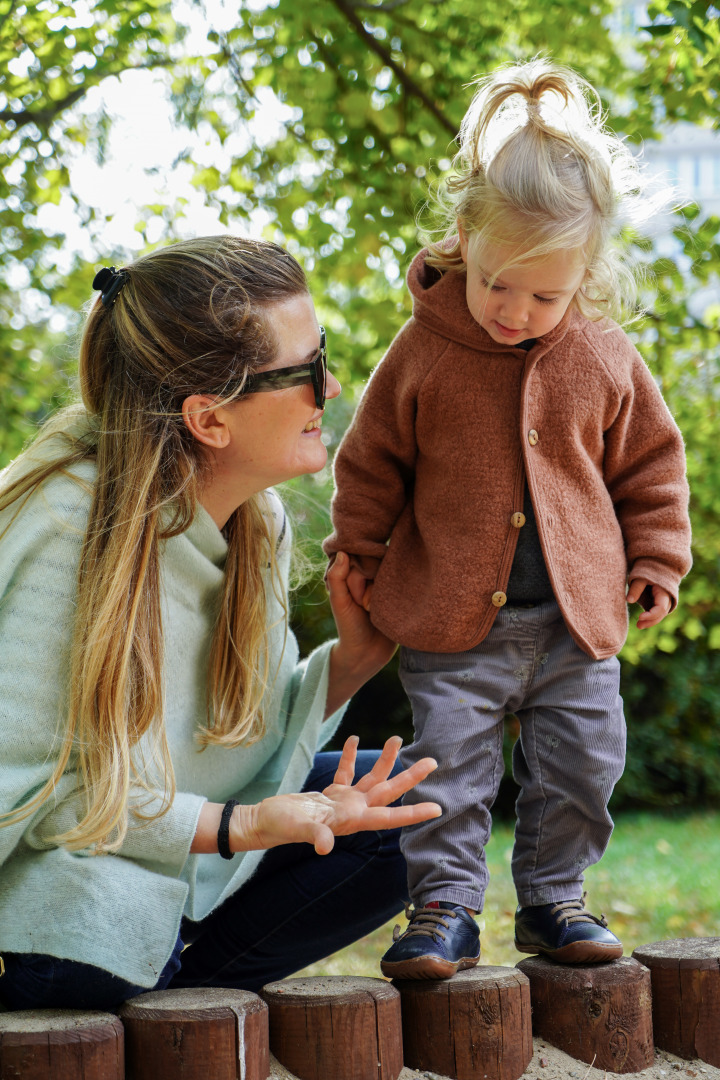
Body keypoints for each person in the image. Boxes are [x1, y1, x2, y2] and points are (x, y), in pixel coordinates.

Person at [0, 235, 442, 1012]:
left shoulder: (255, 521)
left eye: (324, 355)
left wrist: (354, 660)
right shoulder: (67, 523)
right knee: (96, 934)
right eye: (306, 371)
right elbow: (34, 794)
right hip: (52, 872)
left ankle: (174, 985)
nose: (332, 386)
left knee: (417, 818)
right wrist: (239, 827)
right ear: (209, 419)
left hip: (174, 845)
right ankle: (156, 978)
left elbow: (229, 742)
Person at [324, 59, 692, 979]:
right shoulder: (422, 352)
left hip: (577, 621)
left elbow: (651, 462)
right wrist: (357, 551)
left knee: (583, 767)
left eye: (545, 296)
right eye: (498, 285)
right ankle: (443, 908)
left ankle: (553, 899)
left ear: (587, 278)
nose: (515, 312)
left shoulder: (605, 355)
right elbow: (371, 462)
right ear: (463, 240)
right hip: (455, 621)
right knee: (448, 770)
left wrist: (657, 556)